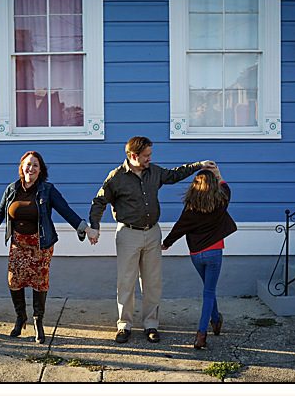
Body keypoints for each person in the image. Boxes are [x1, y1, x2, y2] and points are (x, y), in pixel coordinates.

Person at [88, 137, 214, 343]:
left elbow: (174, 175)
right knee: (126, 282)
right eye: (146, 156)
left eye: (150, 155)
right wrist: (95, 226)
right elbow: (99, 201)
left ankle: (151, 324)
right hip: (128, 234)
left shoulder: (154, 172)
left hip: (153, 232)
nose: (149, 159)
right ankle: (124, 325)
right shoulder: (116, 177)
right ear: (133, 156)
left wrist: (199, 166)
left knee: (152, 282)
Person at [0, 151, 85, 344]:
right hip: (18, 244)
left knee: (39, 282)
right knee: (14, 281)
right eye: (28, 164)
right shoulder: (12, 189)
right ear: (21, 167)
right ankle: (21, 317)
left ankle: (38, 321)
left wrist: (82, 226)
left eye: (35, 165)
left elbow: (65, 209)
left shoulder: (47, 189)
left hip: (40, 245)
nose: (31, 168)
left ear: (40, 170)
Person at [161, 166, 237, 350]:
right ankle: (201, 333)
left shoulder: (190, 207)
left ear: (194, 186)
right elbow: (225, 186)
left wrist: (166, 243)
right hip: (214, 252)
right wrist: (217, 173)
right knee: (209, 291)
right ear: (213, 185)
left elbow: (179, 227)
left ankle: (216, 319)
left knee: (208, 289)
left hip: (196, 254)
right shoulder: (222, 200)